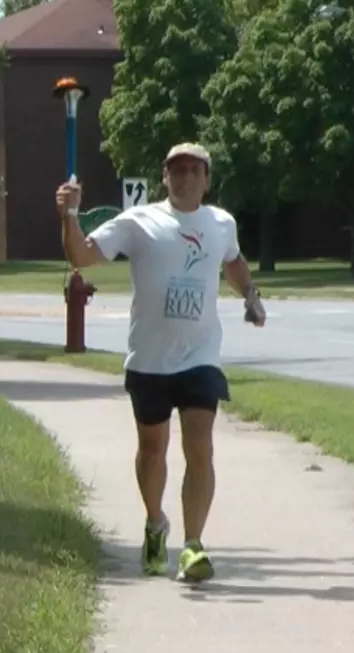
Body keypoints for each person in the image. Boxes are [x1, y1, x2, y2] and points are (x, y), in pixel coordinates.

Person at [55, 142, 266, 582]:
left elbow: (233, 263)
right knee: (153, 451)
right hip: (150, 358)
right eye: (177, 170)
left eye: (194, 169)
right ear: (164, 177)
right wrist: (69, 216)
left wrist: (250, 295)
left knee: (200, 445)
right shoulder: (139, 222)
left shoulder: (220, 224)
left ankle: (192, 546)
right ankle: (155, 524)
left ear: (206, 179)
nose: (185, 177)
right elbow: (82, 256)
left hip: (200, 357)